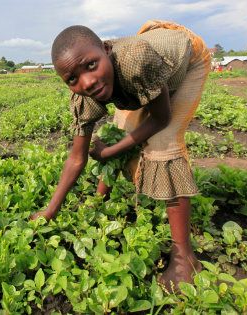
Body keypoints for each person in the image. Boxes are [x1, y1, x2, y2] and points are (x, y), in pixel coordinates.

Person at [30, 20, 211, 289]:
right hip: (144, 60)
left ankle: (185, 258)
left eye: (91, 65)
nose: (88, 82)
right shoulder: (86, 94)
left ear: (105, 49)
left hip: (186, 55)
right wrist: (49, 210)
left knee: (162, 143)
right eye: (72, 79)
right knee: (121, 130)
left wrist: (109, 151)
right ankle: (100, 198)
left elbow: (161, 118)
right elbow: (77, 157)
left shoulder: (135, 62)